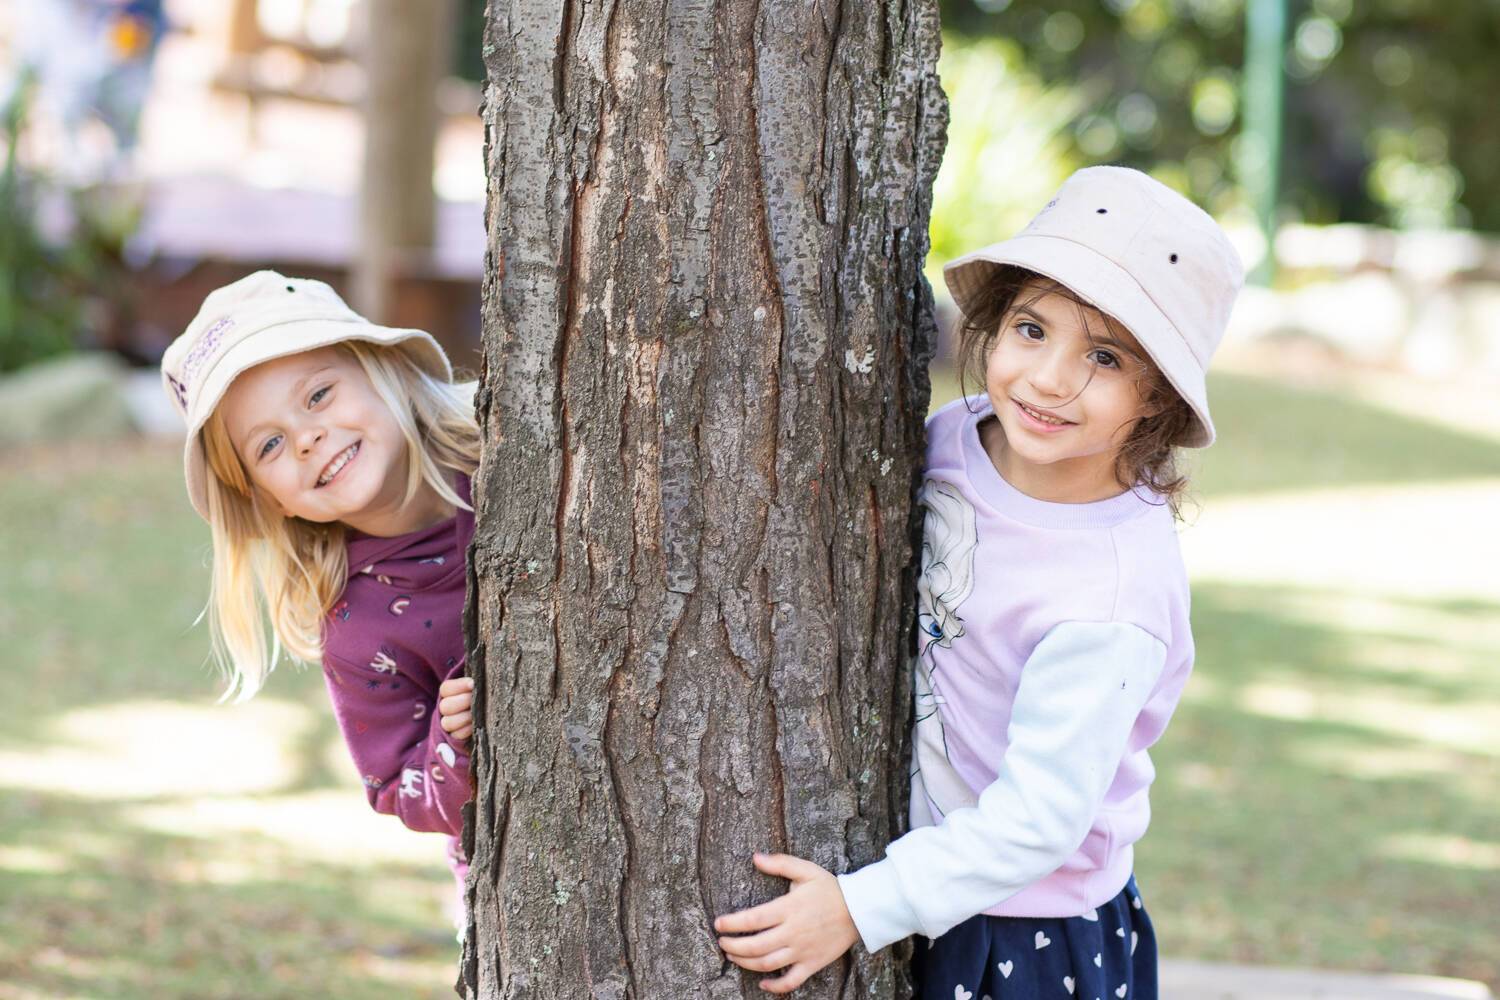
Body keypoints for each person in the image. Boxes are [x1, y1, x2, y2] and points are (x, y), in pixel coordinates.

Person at [714, 166, 1245, 999]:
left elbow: (1039, 822)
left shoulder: (1110, 597)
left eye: (1104, 356)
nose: (1048, 379)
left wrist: (860, 908)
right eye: (1033, 330)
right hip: (928, 882)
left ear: (1158, 399)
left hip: (1026, 930)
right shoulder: (958, 439)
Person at [160, 270, 481, 922]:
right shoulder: (356, 626)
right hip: (528, 884)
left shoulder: (515, 453)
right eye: (271, 444)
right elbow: (397, 788)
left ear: (379, 367)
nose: (307, 437)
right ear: (263, 497)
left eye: (319, 394)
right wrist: (457, 744)